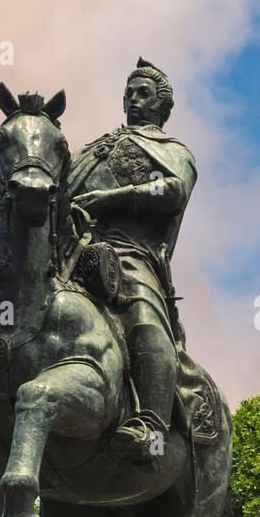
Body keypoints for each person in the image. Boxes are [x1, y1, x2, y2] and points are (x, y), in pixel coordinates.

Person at [67, 58, 196, 465]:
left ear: (163, 105)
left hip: (129, 254)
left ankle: (152, 423)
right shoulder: (91, 150)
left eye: (144, 93)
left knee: (143, 316)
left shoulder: (173, 151)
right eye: (129, 93)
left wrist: (113, 199)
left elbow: (174, 191)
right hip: (71, 253)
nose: (133, 100)